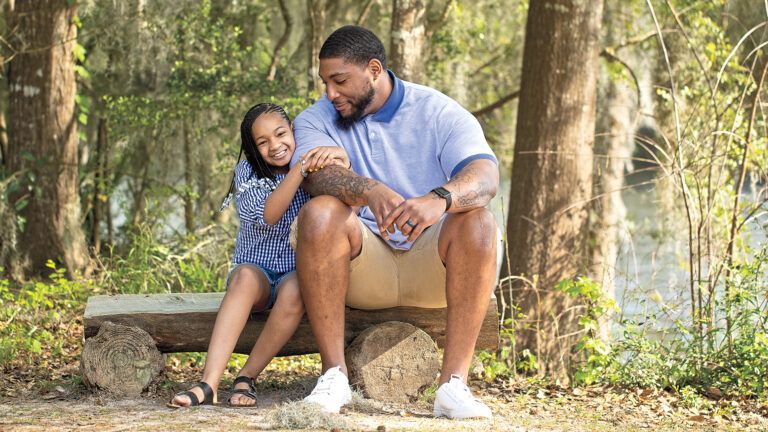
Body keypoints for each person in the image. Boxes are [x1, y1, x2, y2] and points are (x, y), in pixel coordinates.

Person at [291, 26, 499, 419]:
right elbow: (316, 178)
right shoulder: (316, 119)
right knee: (319, 212)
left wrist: (441, 199)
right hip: (360, 268)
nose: (330, 94)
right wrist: (368, 189)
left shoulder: (437, 111)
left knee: (480, 222)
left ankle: (453, 386)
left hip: (431, 268)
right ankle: (334, 378)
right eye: (325, 83)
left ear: (374, 69)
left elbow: (485, 177)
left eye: (339, 81)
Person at [168, 103, 349, 408]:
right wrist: (298, 171)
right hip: (258, 271)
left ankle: (246, 377)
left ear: (293, 131)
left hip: (295, 272)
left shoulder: (314, 166)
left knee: (297, 289)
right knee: (245, 279)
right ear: (253, 148)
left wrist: (341, 159)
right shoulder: (248, 173)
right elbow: (269, 214)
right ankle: (208, 383)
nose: (275, 146)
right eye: (263, 142)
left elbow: (345, 200)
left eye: (281, 134)